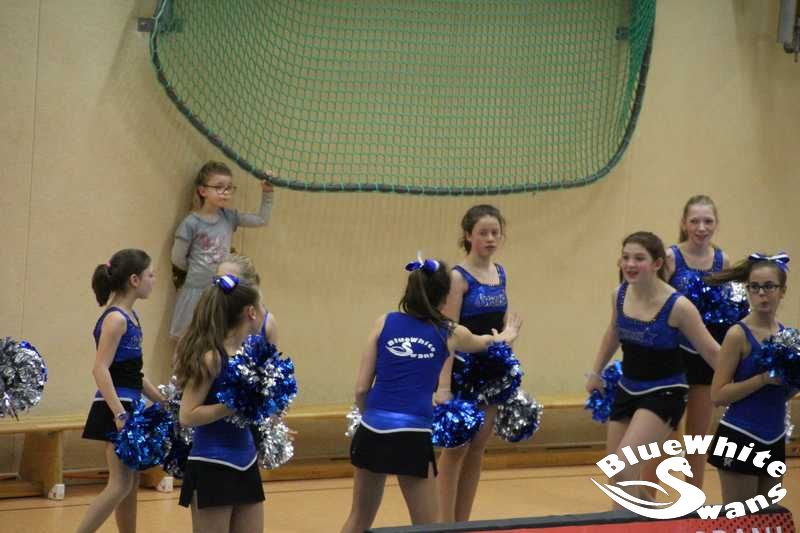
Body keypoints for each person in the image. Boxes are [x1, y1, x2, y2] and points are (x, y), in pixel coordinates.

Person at [341, 256, 521, 532]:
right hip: (411, 435)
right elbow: (485, 342)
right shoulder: (449, 332)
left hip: (371, 430)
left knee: (359, 517)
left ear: (409, 291)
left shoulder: (383, 322)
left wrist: (372, 419)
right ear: (443, 296)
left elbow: (362, 388)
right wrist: (506, 334)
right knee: (427, 525)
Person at [585, 231, 718, 505]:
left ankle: (644, 518)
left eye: (639, 258)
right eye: (625, 258)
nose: (630, 264)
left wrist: (740, 385)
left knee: (623, 469)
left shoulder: (679, 306)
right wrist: (595, 372)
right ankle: (652, 518)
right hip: (628, 388)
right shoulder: (619, 294)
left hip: (665, 393)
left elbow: (711, 351)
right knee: (618, 477)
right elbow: (613, 332)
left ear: (657, 263)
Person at [77, 249, 165, 533]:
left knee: (130, 482)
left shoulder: (131, 316)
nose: (155, 280)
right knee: (119, 484)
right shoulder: (116, 319)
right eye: (151, 275)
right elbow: (100, 369)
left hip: (130, 404)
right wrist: (119, 414)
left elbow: (134, 374)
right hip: (117, 406)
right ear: (135, 280)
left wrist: (164, 401)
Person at [175, 274, 266, 533]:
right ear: (250, 312)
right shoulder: (212, 358)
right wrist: (232, 405)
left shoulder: (250, 355)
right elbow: (187, 414)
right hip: (213, 463)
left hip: (247, 461)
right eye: (261, 307)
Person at [437, 205, 510, 523]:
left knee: (478, 447)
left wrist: (507, 357)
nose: (490, 238)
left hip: (491, 372)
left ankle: (463, 523)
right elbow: (448, 333)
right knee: (456, 449)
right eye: (483, 233)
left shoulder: (500, 273)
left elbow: (502, 325)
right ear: (468, 235)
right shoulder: (458, 277)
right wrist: (442, 386)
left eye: (495, 232)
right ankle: (443, 524)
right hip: (461, 373)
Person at [707, 253, 793, 503]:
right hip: (740, 435)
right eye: (754, 287)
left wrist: (793, 381)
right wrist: (762, 379)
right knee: (741, 520)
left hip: (774, 435)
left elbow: (783, 392)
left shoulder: (786, 335)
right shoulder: (737, 334)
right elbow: (718, 395)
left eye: (769, 286)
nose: (761, 293)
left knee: (768, 519)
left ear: (782, 291)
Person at [662, 195, 730, 489]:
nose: (701, 228)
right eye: (695, 221)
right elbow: (658, 302)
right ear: (683, 223)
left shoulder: (722, 260)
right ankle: (652, 496)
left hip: (705, 353)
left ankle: (693, 497)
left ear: (716, 224)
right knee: (667, 432)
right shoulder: (670, 257)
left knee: (698, 436)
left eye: (708, 221)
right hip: (673, 352)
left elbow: (728, 308)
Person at [170, 161, 275, 340]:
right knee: (187, 342)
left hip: (221, 292)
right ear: (202, 191)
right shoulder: (191, 223)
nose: (225, 192)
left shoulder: (228, 217)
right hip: (196, 293)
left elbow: (261, 219)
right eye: (219, 187)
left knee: (218, 341)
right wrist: (198, 271)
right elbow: (177, 258)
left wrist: (267, 192)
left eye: (229, 188)